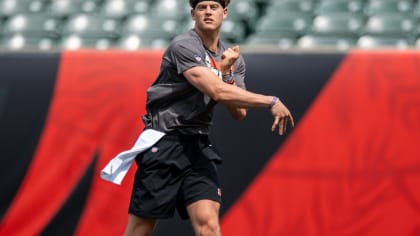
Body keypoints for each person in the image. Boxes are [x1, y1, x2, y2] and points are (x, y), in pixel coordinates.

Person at [123, 0, 294, 235]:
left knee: (208, 223)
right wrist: (270, 101)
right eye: (201, 7)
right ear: (193, 14)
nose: (208, 11)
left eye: (214, 6)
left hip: (198, 144)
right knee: (140, 228)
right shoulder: (184, 45)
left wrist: (227, 73)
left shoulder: (231, 58)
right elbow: (216, 91)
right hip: (165, 142)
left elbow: (239, 113)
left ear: (225, 13)